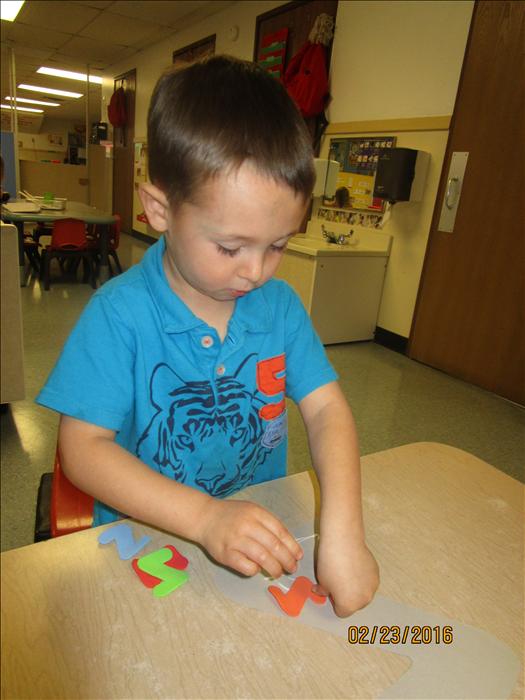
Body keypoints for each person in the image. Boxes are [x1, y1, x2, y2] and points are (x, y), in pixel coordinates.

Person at [37, 56, 379, 618]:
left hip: (257, 531)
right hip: (143, 539)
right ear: (160, 210)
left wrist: (343, 529)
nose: (256, 272)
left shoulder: (280, 309)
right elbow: (82, 451)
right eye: (230, 247)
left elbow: (326, 411)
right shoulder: (118, 317)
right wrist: (204, 517)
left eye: (277, 245)